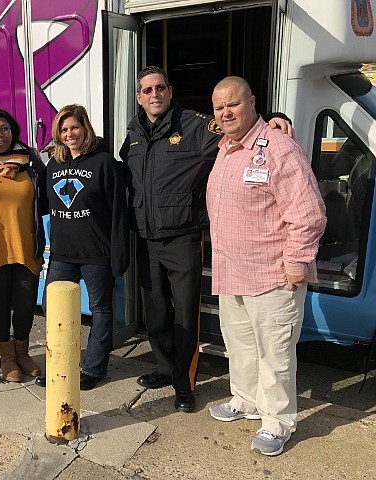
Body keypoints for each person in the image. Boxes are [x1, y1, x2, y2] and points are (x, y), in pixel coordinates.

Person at [119, 66, 292, 413]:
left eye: (160, 88)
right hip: (147, 239)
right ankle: (164, 368)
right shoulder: (134, 133)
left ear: (169, 91)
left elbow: (240, 130)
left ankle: (184, 383)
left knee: (185, 316)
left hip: (183, 237)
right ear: (139, 97)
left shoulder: (197, 126)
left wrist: (274, 117)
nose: (154, 95)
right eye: (147, 90)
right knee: (155, 312)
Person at [206, 76, 326, 456]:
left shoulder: (278, 147)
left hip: (274, 275)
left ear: (253, 102)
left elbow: (308, 214)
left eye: (234, 104)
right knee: (240, 347)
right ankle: (245, 400)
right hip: (232, 273)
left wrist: (296, 263)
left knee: (275, 354)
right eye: (219, 106)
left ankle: (277, 422)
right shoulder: (225, 148)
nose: (226, 112)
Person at [35, 104, 129, 390]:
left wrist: (118, 254)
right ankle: (60, 363)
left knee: (101, 310)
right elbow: (43, 205)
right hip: (63, 253)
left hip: (96, 252)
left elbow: (118, 213)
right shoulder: (54, 164)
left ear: (85, 128)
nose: (69, 134)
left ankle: (93, 368)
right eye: (63, 129)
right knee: (54, 307)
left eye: (74, 127)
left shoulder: (105, 164)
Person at [0, 109, 48, 382]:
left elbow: (47, 198)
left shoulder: (32, 161)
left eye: (4, 129)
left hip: (26, 246)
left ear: (13, 130)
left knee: (26, 304)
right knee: (0, 304)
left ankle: (23, 352)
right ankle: (7, 357)